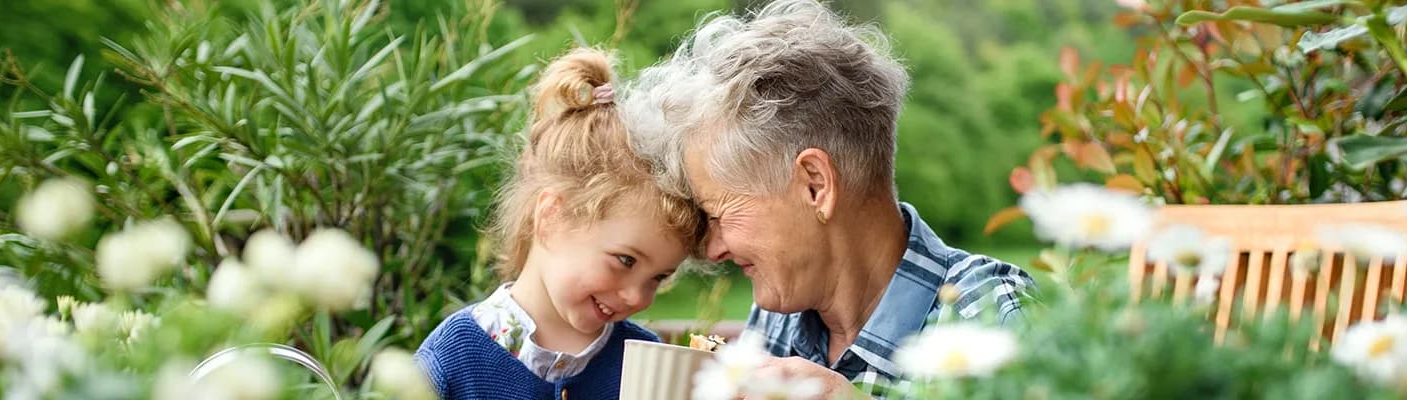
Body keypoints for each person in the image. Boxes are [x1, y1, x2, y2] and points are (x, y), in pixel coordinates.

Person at [622, 0, 1034, 397]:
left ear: (816, 186)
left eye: (718, 214)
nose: (713, 250)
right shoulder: (778, 318)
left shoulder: (992, 317)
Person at [415, 48, 705, 399]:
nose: (637, 296)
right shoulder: (452, 361)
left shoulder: (645, 364)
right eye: (625, 260)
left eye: (658, 278)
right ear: (552, 217)